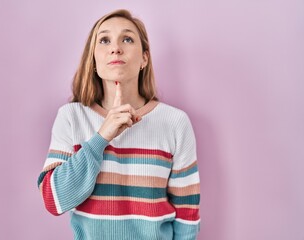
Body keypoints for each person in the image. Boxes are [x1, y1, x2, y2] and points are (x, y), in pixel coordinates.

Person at [37, 9, 200, 240]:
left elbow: (187, 215)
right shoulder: (71, 117)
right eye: (104, 40)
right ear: (93, 59)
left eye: (127, 39)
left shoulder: (174, 122)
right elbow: (54, 200)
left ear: (144, 58)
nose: (115, 47)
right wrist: (101, 137)